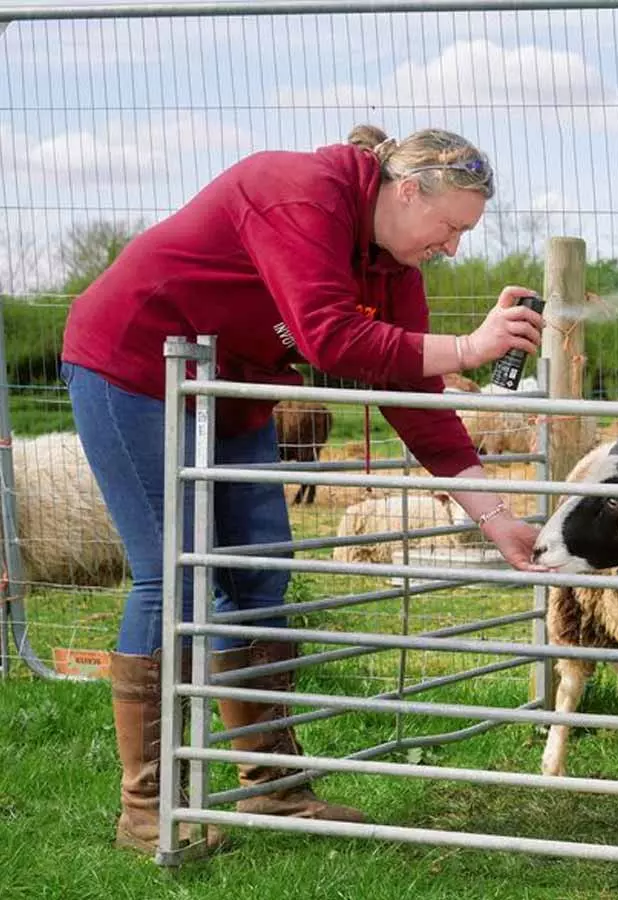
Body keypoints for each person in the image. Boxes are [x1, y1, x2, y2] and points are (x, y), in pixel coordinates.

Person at [59, 124, 549, 857]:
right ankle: (149, 806)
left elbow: (411, 395)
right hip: (133, 369)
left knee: (260, 578)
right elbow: (326, 336)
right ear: (409, 190)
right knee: (174, 578)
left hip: (230, 391)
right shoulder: (299, 192)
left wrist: (498, 520)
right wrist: (471, 349)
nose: (453, 248)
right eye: (450, 227)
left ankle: (274, 786)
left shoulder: (392, 269)